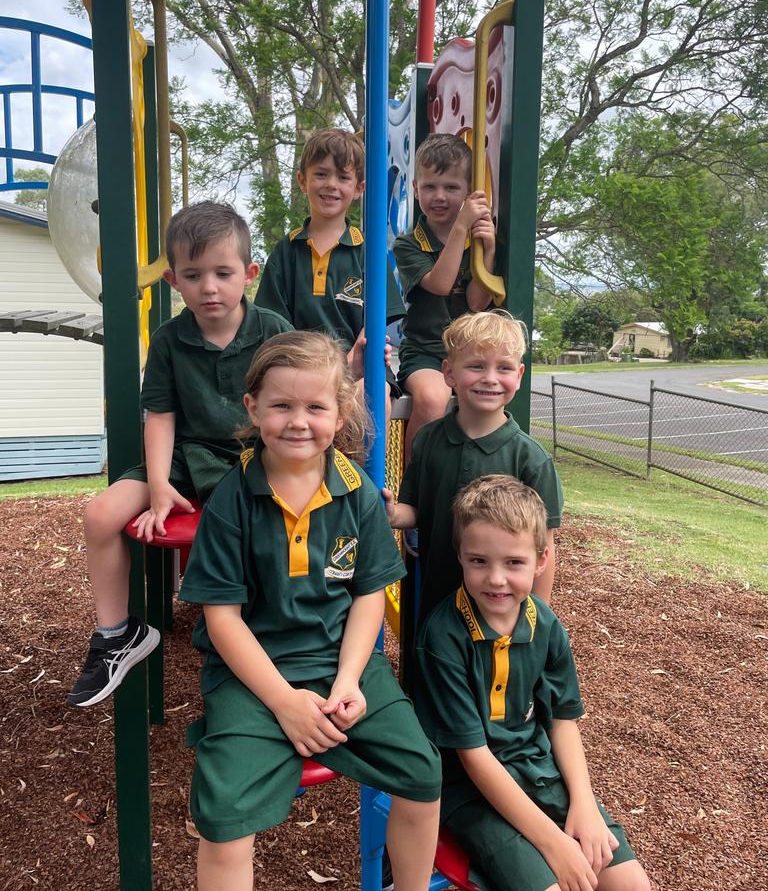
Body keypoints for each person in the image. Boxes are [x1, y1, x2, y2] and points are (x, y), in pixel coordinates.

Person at [178, 331, 441, 891]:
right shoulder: (233, 499)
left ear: (341, 411)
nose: (299, 421)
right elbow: (221, 620)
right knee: (223, 816)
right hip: (252, 677)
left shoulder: (359, 495)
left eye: (316, 407)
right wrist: (284, 703)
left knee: (422, 771)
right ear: (253, 409)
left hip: (339, 662)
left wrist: (350, 679)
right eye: (281, 406)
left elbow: (369, 596)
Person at [67, 201, 292, 708]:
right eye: (193, 275)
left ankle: (273, 634)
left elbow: (294, 400)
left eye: (222, 273)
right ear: (173, 279)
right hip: (182, 460)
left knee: (266, 528)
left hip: (253, 460)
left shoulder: (272, 331)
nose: (208, 287)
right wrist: (162, 486)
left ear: (248, 274)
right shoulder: (171, 340)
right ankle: (116, 634)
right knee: (101, 514)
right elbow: (162, 416)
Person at [415, 475, 651, 891]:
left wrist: (584, 805)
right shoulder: (443, 637)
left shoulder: (545, 624)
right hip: (470, 792)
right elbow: (473, 757)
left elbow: (563, 722)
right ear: (460, 555)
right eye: (479, 561)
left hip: (539, 772)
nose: (496, 579)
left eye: (514, 562)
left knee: (631, 884)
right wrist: (554, 843)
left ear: (541, 559)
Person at [384, 311, 561, 625]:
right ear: (449, 373)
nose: (490, 378)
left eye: (503, 368)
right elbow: (416, 510)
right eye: (476, 366)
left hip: (501, 606)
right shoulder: (428, 440)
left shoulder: (530, 459)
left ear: (519, 375)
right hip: (437, 602)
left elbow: (543, 545)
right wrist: (393, 514)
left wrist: (537, 620)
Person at [254, 127, 404, 409]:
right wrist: (311, 368)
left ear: (360, 188)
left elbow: (374, 325)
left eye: (343, 177)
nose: (331, 185)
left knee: (372, 395)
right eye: (321, 174)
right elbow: (273, 324)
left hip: (358, 360)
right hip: (298, 363)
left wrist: (348, 364)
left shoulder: (367, 251)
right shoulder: (287, 251)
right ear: (302, 180)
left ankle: (363, 457)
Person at [393, 133, 496, 458]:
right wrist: (461, 229)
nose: (439, 196)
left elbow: (478, 304)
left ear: (468, 192)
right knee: (432, 399)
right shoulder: (408, 245)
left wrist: (488, 250)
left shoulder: (475, 240)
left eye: (451, 188)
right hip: (425, 354)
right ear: (415, 189)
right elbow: (439, 283)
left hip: (468, 355)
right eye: (430, 187)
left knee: (488, 402)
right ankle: (411, 482)